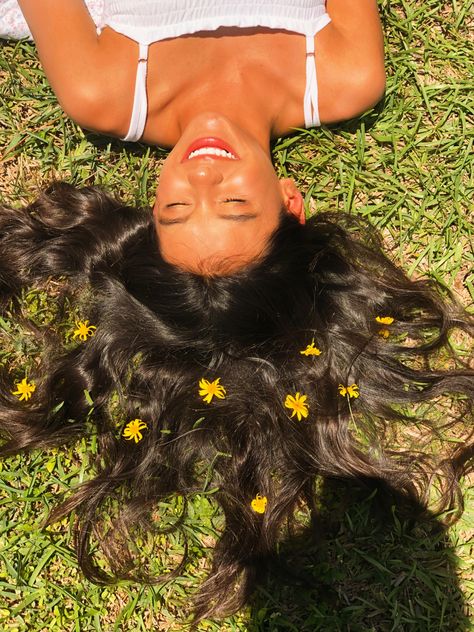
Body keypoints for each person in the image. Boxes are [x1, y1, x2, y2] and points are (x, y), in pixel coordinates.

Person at [7, 0, 386, 271]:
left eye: (176, 208)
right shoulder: (346, 79)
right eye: (234, 201)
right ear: (291, 204)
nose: (201, 177)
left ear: (155, 208)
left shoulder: (101, 93)